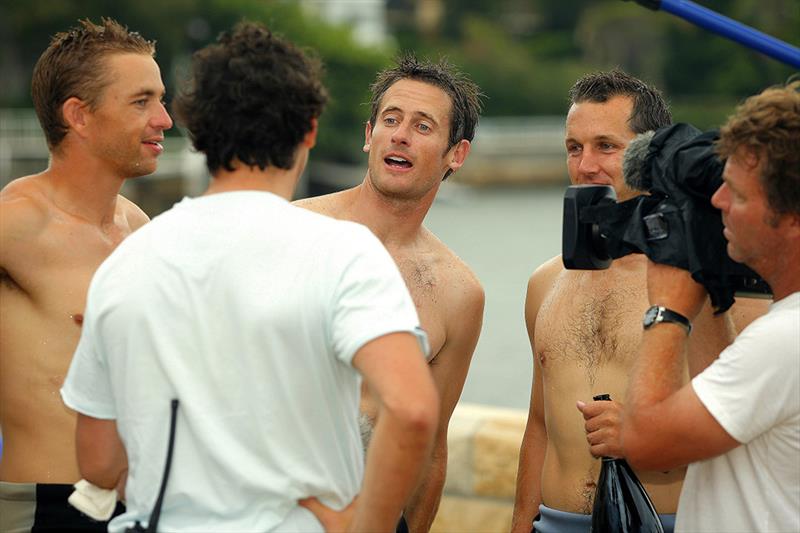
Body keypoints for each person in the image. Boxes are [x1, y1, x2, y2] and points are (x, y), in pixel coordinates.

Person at [59, 22, 439, 532]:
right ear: (309, 130)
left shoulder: (127, 261)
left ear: (197, 130)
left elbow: (99, 464)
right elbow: (413, 409)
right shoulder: (343, 252)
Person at [511, 69, 768, 533]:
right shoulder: (544, 283)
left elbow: (749, 432)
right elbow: (539, 427)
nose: (586, 165)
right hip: (553, 523)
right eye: (574, 148)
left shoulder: (712, 279)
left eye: (606, 146)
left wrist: (648, 432)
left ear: (651, 157)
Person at [580, 81, 800, 532]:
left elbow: (645, 443)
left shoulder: (783, 342)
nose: (718, 202)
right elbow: (716, 414)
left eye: (736, 194)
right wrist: (705, 282)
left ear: (792, 217)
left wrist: (668, 310)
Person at [295, 54, 485, 532]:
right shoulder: (294, 228)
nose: (400, 134)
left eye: (423, 126)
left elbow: (431, 442)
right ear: (369, 134)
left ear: (455, 154)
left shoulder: (458, 292)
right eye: (391, 120)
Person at [0, 18, 171, 531]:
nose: (164, 118)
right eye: (141, 101)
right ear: (79, 115)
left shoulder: (139, 228)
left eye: (160, 99)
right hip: (41, 506)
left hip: (138, 507)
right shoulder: (17, 223)